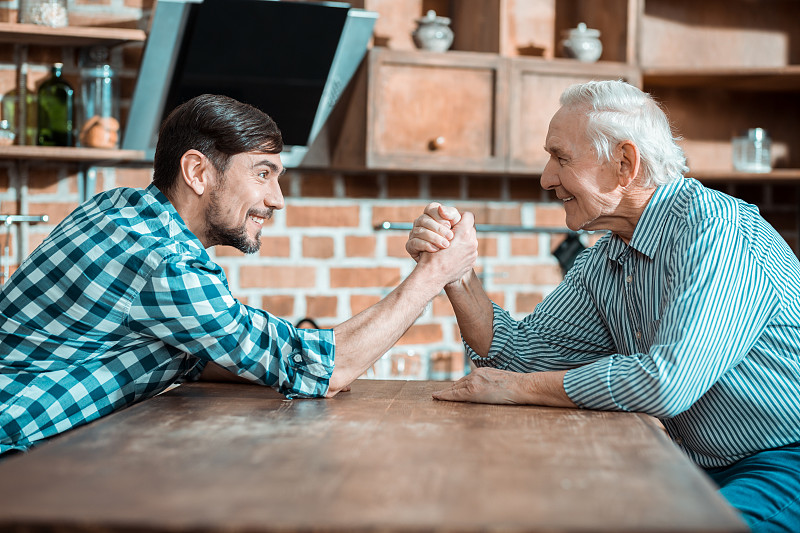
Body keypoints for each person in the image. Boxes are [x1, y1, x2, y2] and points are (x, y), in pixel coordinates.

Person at [406, 80, 800, 532]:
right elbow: (517, 354)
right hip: (697, 463)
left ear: (625, 164)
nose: (546, 177)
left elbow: (666, 383)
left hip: (785, 458)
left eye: (561, 157)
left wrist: (518, 388)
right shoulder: (606, 258)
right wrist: (456, 274)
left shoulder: (715, 230)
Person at [0, 94, 477, 455]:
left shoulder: (119, 208)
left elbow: (193, 353)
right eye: (262, 174)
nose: (277, 200)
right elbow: (329, 369)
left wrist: (295, 362)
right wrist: (434, 273)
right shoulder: (163, 261)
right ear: (197, 172)